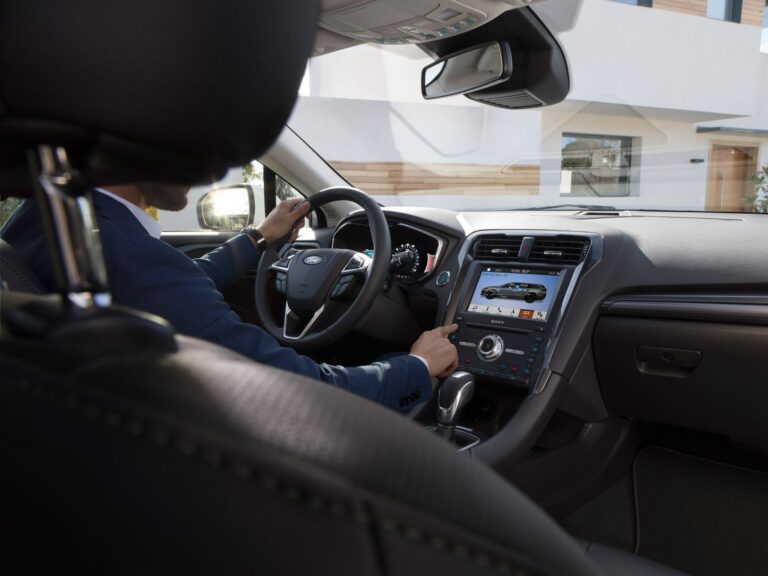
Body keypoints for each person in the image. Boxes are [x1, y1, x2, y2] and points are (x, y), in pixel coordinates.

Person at [1, 183, 458, 412]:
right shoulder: (131, 256)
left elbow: (175, 288)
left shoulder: (47, 217)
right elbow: (295, 390)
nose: (209, 165)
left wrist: (257, 238)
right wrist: (415, 366)